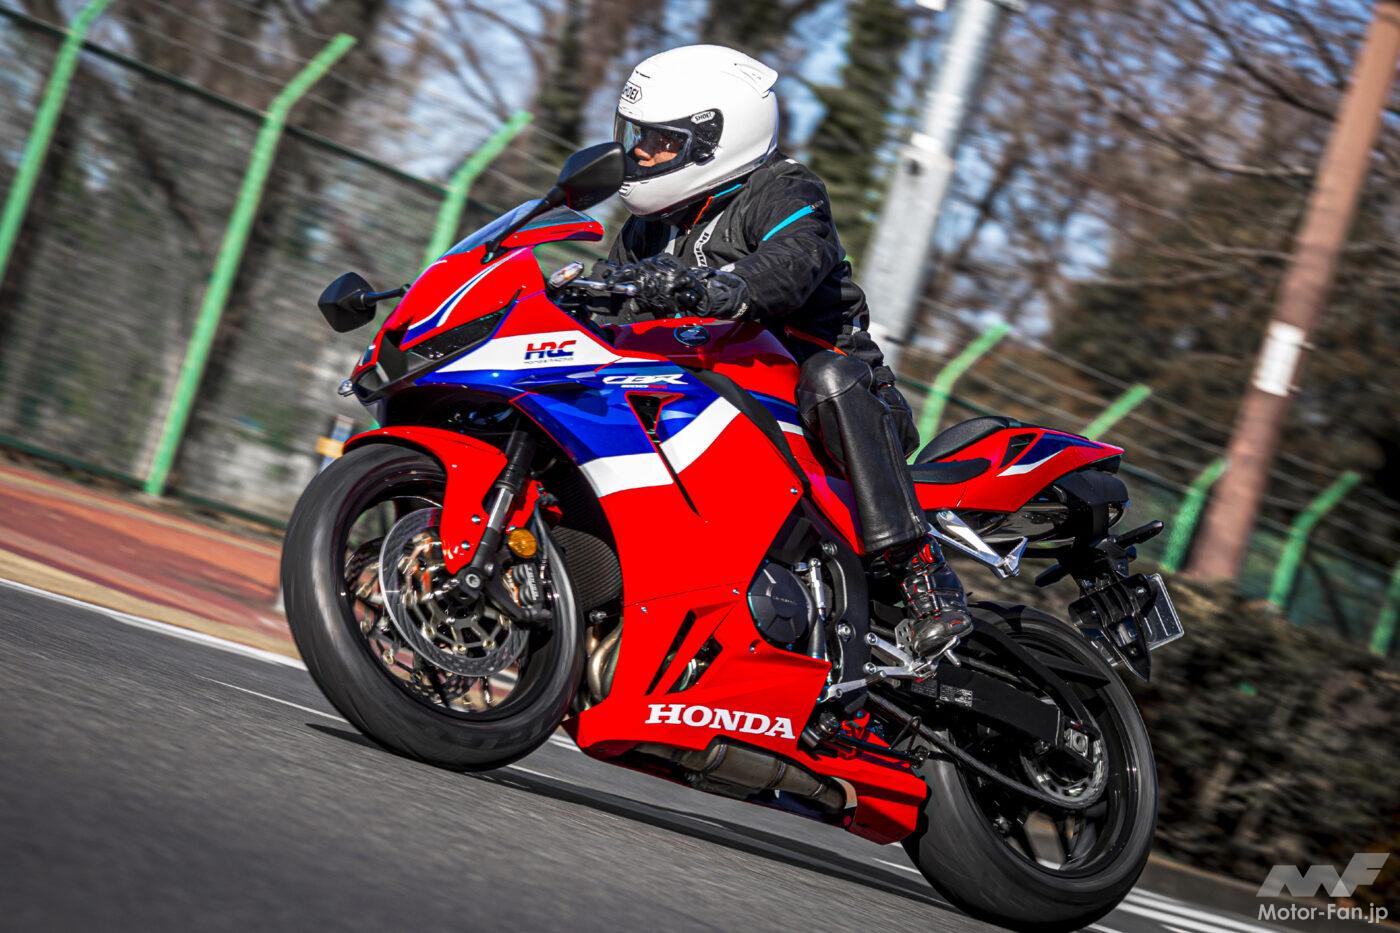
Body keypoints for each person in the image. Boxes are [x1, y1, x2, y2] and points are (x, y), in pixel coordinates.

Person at [596, 45, 969, 656]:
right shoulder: (649, 226)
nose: (639, 154)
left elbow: (795, 260)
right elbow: (616, 310)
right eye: (636, 136)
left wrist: (717, 288)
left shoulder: (783, 189)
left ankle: (922, 573)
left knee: (829, 376)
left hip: (837, 410)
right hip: (726, 400)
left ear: (714, 141)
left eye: (660, 142)